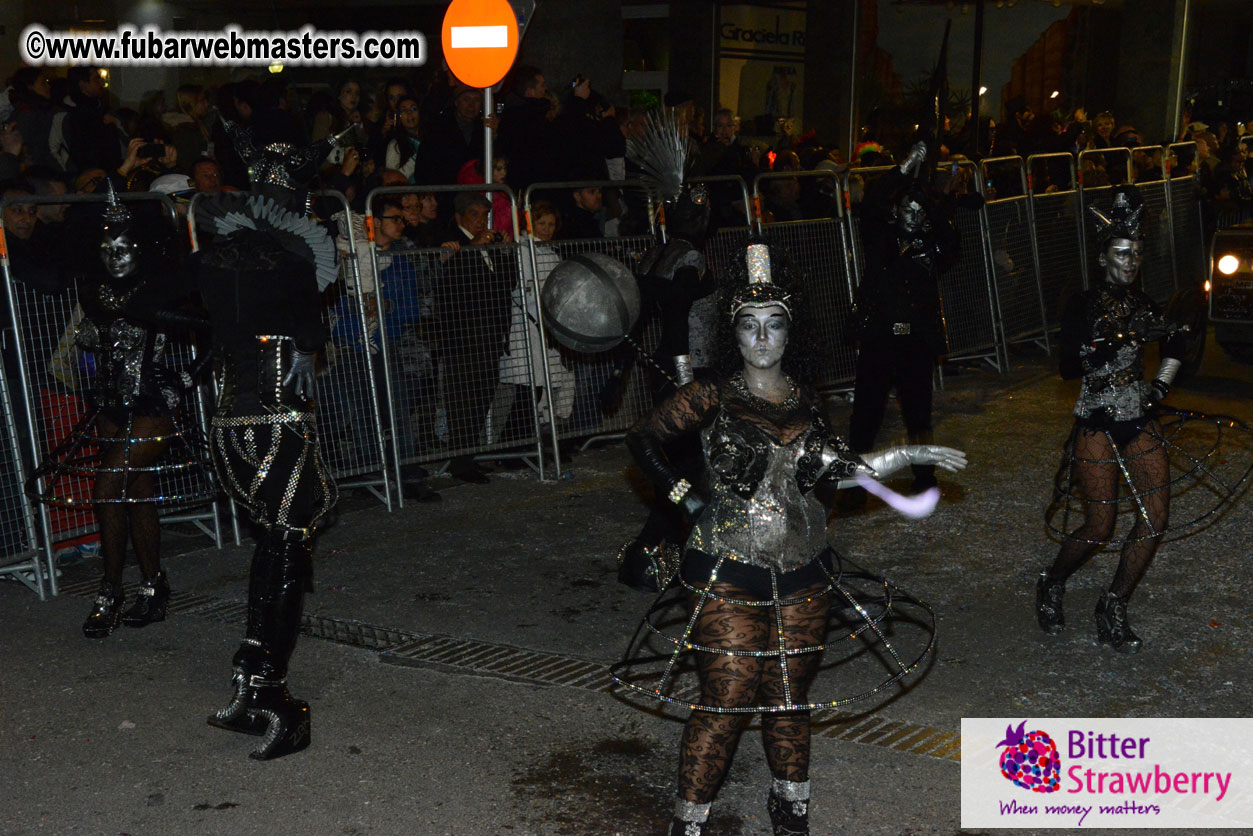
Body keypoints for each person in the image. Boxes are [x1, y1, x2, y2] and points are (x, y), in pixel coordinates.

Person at [615, 240, 966, 835]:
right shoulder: (711, 396)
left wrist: (906, 452)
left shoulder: (808, 402)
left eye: (774, 325)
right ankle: (689, 823)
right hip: (726, 569)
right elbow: (642, 440)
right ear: (734, 333)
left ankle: (791, 807)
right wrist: (685, 497)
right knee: (726, 700)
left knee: (787, 696)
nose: (761, 339)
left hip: (805, 571)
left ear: (789, 333)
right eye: (749, 326)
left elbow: (842, 467)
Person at [191, 121, 346, 759]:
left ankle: (250, 680)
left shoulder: (222, 260)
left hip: (232, 426)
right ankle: (277, 697)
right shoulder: (292, 261)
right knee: (285, 547)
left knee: (272, 545)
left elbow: (163, 304)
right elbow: (310, 328)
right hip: (276, 421)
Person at [15, 183, 211, 637]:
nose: (115, 254)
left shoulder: (162, 281)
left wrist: (185, 378)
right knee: (133, 494)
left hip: (152, 404)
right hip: (108, 402)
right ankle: (153, 585)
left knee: (107, 487)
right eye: (107, 246)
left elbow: (217, 327)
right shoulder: (90, 284)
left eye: (124, 246)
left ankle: (110, 590)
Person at [1036, 185, 1187, 653]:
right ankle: (1053, 580)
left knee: (1155, 518)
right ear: (1103, 258)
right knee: (1100, 526)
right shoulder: (1082, 303)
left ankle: (1114, 603)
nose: (1130, 261)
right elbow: (1067, 366)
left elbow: (1176, 345)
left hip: (1136, 417)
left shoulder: (1146, 304)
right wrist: (1120, 337)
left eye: (1136, 253)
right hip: (1097, 418)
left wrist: (1159, 385)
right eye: (1121, 252)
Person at [846, 141, 961, 507]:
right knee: (867, 414)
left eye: (918, 212)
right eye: (906, 210)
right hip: (881, 339)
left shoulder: (931, 249)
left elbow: (953, 244)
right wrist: (902, 168)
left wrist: (931, 204)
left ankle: (924, 477)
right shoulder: (881, 241)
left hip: (915, 343)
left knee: (919, 413)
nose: (912, 217)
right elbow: (872, 204)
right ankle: (853, 484)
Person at [488, 201, 573, 445]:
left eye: (551, 224)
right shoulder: (523, 251)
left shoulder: (551, 252)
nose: (547, 229)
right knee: (527, 390)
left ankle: (531, 441)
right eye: (541, 223)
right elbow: (525, 291)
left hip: (544, 329)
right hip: (527, 328)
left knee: (542, 389)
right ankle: (514, 443)